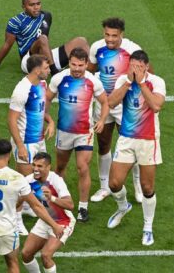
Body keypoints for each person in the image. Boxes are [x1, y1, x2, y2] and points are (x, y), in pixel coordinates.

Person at [0, 139, 64, 273]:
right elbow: (36, 206)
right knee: (12, 265)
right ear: (10, 154)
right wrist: (54, 225)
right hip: (7, 229)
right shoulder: (17, 178)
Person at [106, 50, 166, 246]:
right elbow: (111, 102)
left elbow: (156, 106)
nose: (135, 70)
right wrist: (128, 83)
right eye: (132, 66)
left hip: (148, 141)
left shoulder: (156, 82)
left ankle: (147, 226)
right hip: (126, 138)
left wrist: (140, 83)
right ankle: (123, 207)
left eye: (139, 67)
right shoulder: (123, 80)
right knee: (114, 183)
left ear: (146, 67)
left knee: (148, 187)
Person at [47, 47, 109, 222]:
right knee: (60, 168)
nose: (76, 68)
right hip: (64, 131)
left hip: (84, 132)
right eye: (73, 64)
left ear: (86, 64)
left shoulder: (93, 81)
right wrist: (48, 120)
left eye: (80, 65)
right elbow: (47, 99)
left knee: (82, 167)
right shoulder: (59, 78)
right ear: (69, 63)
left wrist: (102, 120)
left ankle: (83, 208)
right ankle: (58, 203)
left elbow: (105, 102)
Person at [88, 17, 144, 203]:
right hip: (103, 103)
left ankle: (137, 186)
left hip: (125, 104)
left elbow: (146, 72)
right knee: (103, 144)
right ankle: (104, 187)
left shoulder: (132, 49)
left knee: (132, 145)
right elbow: (90, 71)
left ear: (122, 34)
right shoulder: (97, 48)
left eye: (114, 36)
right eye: (107, 34)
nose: (110, 39)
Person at [0, 0, 88, 76]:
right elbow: (7, 45)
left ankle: (91, 70)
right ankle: (54, 73)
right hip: (29, 61)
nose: (36, 7)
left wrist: (47, 55)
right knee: (42, 39)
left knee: (81, 41)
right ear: (24, 7)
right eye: (32, 5)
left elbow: (45, 41)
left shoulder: (46, 16)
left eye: (38, 4)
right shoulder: (16, 21)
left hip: (47, 58)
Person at [8, 54, 54, 235]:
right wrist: (19, 146)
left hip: (39, 139)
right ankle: (16, 219)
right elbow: (11, 120)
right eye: (46, 67)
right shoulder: (22, 89)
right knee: (24, 183)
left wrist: (50, 121)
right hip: (26, 142)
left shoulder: (42, 84)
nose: (49, 70)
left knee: (38, 176)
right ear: (37, 70)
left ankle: (26, 208)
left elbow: (41, 108)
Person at [22, 152, 75, 273]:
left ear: (48, 167)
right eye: (34, 165)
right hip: (45, 219)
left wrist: (52, 198)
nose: (35, 169)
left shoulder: (56, 180)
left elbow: (70, 205)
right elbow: (18, 199)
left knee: (46, 255)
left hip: (63, 221)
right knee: (26, 254)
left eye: (40, 166)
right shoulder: (28, 180)